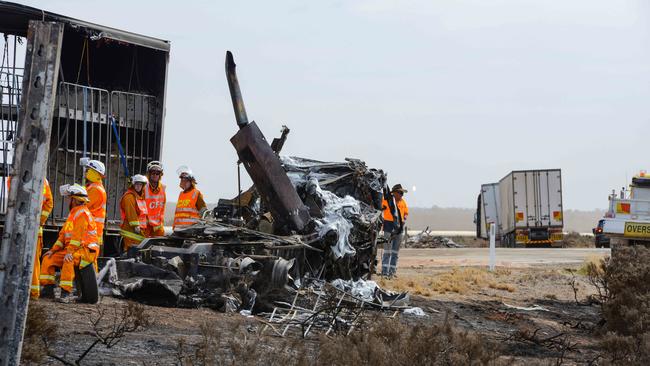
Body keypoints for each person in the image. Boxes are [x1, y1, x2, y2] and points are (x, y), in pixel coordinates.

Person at [40, 184, 99, 302]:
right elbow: (63, 236)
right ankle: (48, 290)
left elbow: (77, 237)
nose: (68, 200)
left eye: (69, 197)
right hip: (75, 249)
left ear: (76, 200)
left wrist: (70, 252)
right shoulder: (73, 213)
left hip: (86, 251)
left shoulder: (82, 214)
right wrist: (52, 251)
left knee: (68, 260)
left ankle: (65, 293)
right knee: (48, 259)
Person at [8, 176, 53, 298]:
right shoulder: (43, 179)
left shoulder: (15, 176)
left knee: (16, 258)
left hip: (19, 226)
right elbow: (49, 203)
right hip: (33, 229)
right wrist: (39, 221)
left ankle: (26, 292)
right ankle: (32, 293)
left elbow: (11, 201)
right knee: (33, 261)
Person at [381, 184, 409, 277]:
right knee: (387, 251)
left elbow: (406, 213)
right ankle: (385, 272)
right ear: (394, 193)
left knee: (395, 253)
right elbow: (379, 209)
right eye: (400, 192)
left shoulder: (403, 202)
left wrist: (404, 219)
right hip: (388, 226)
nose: (402, 194)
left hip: (399, 228)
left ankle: (392, 272)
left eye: (402, 193)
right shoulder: (386, 200)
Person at [119, 174, 148, 251]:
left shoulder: (139, 197)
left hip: (137, 230)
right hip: (130, 229)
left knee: (137, 249)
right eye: (136, 184)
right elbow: (130, 212)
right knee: (130, 249)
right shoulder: (129, 196)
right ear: (133, 185)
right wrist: (136, 225)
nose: (138, 186)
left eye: (140, 184)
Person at [173, 166, 207, 230]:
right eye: (182, 179)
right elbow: (178, 215)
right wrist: (174, 227)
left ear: (191, 181)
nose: (183, 181)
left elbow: (204, 213)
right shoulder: (181, 194)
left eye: (185, 180)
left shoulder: (196, 194)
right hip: (179, 230)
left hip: (190, 231)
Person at [84, 160, 107, 251]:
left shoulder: (95, 190)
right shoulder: (93, 187)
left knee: (87, 261)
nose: (86, 172)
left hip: (91, 232)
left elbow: (82, 206)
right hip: (91, 231)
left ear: (94, 172)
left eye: (88, 170)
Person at [144, 161, 166, 237]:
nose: (155, 175)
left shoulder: (163, 188)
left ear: (160, 175)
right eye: (153, 173)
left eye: (157, 173)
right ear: (149, 174)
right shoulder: (143, 187)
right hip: (145, 225)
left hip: (157, 226)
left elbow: (162, 207)